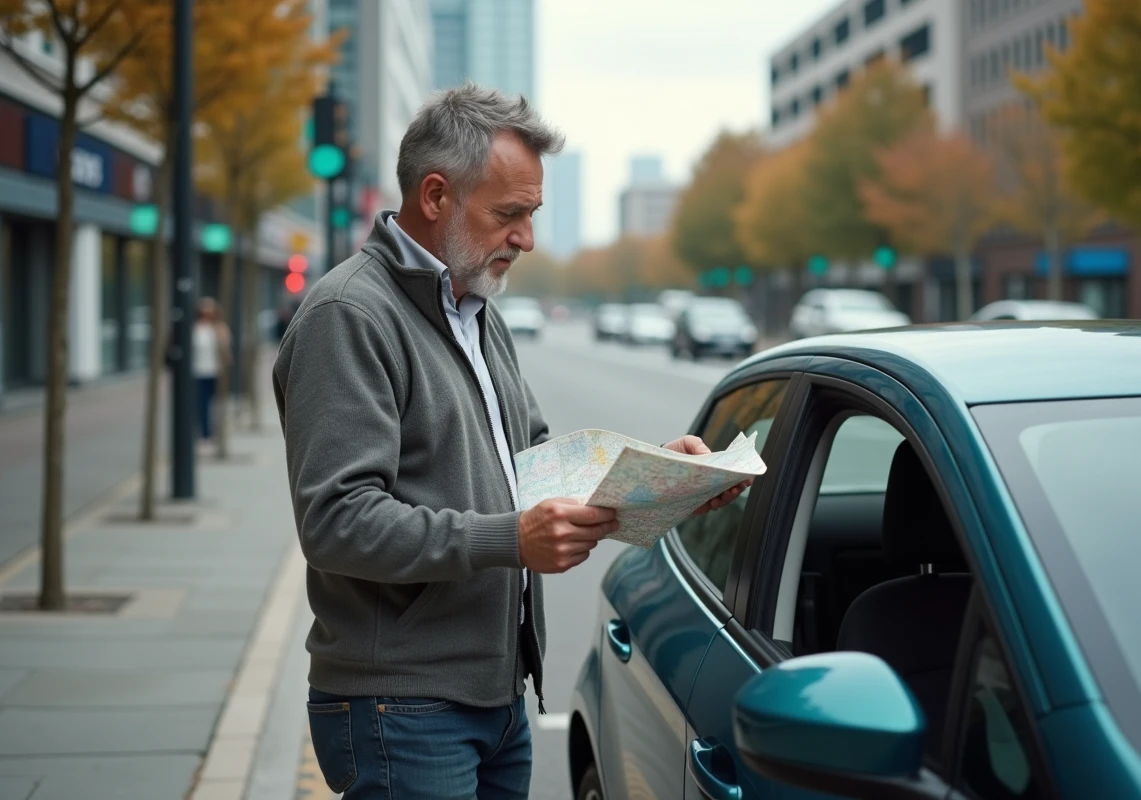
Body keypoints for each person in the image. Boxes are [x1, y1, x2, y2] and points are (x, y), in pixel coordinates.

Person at [272, 84, 748, 800]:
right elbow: (336, 522)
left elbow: (534, 467)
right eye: (508, 215)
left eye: (532, 214)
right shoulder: (349, 315)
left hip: (496, 696)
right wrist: (509, 540)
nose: (526, 238)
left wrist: (661, 483)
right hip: (401, 706)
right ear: (436, 196)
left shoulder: (476, 309)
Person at [193, 297, 229, 447]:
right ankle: (205, 434)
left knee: (214, 405)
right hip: (197, 372)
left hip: (214, 371)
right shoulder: (194, 328)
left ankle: (214, 433)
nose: (206, 313)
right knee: (201, 403)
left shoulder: (218, 328)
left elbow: (226, 350)